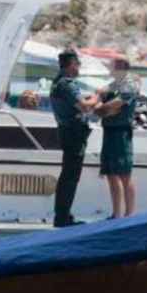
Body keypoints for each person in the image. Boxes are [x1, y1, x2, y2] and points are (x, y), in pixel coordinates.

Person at [50, 49, 100, 227]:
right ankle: (63, 218)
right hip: (73, 134)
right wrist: (98, 96)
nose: (79, 68)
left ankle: (63, 215)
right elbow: (85, 107)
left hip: (68, 132)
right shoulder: (67, 84)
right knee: (70, 177)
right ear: (71, 65)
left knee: (68, 176)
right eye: (77, 64)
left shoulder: (59, 83)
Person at [95, 58, 141, 218]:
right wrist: (102, 107)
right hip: (109, 130)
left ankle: (129, 214)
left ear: (120, 68)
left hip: (121, 132)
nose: (110, 70)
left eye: (112, 67)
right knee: (110, 173)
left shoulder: (129, 84)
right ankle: (116, 214)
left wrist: (102, 109)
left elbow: (116, 104)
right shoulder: (116, 83)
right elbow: (100, 93)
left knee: (124, 174)